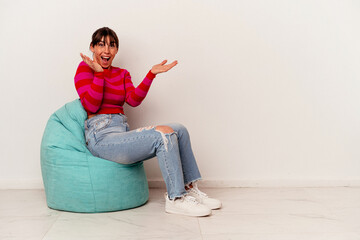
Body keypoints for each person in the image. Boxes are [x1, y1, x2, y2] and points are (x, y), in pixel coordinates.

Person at [74, 27, 221, 217]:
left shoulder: (122, 73)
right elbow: (91, 106)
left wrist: (151, 74)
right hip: (101, 137)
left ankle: (189, 189)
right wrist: (99, 74)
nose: (106, 50)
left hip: (121, 131)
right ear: (92, 48)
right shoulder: (84, 68)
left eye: (112, 45)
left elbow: (133, 100)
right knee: (163, 134)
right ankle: (175, 199)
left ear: (117, 50)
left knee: (179, 130)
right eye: (101, 45)